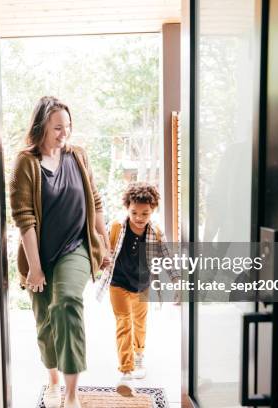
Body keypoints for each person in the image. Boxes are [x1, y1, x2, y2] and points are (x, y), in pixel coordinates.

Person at [9, 96, 111, 408]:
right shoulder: (26, 163)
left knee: (66, 301)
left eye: (67, 126)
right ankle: (52, 378)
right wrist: (35, 269)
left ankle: (71, 394)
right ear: (40, 127)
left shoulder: (77, 156)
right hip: (39, 253)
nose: (64, 133)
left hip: (76, 248)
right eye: (57, 127)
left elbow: (95, 203)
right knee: (45, 321)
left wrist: (103, 246)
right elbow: (24, 218)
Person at [95, 182, 180, 397]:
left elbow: (167, 257)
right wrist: (100, 260)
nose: (139, 217)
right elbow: (104, 249)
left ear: (152, 211)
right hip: (118, 283)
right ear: (127, 208)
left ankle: (139, 354)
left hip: (143, 285)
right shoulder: (116, 227)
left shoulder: (156, 232)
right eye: (134, 212)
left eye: (145, 213)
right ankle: (126, 369)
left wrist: (177, 280)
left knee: (140, 323)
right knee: (124, 323)